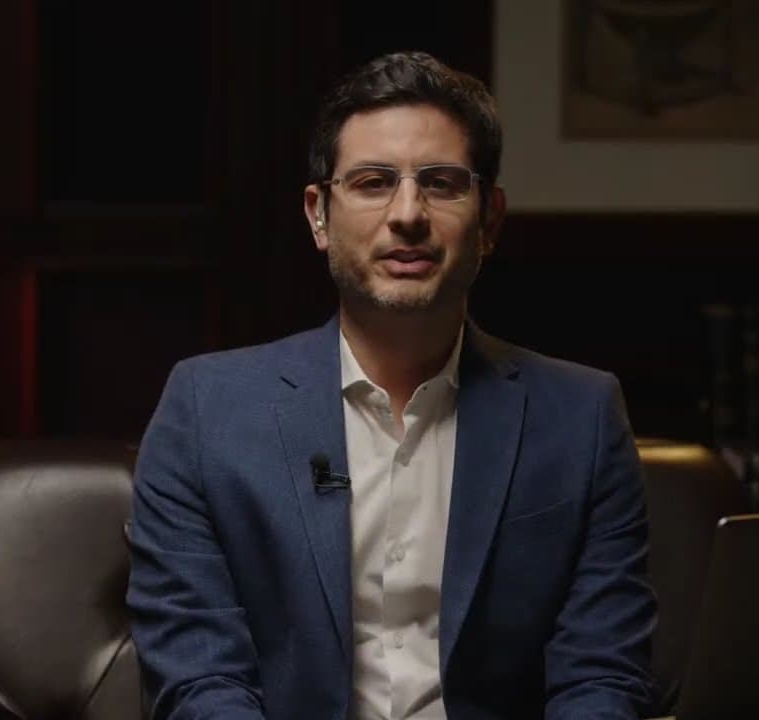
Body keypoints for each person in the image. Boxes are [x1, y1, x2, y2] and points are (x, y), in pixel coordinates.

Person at [126, 50, 657, 720]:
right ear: (318, 215)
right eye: (374, 182)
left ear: (490, 219)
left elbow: (602, 676)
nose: (408, 213)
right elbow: (198, 678)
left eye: (441, 183)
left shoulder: (582, 416)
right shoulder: (206, 409)